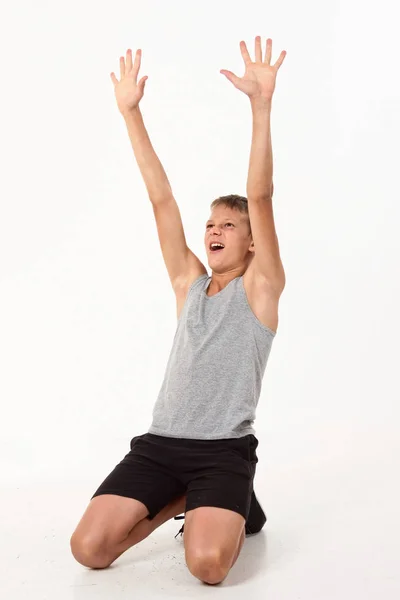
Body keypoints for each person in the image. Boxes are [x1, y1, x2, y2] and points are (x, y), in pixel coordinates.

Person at [70, 36, 286, 585]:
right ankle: (184, 499)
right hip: (160, 446)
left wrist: (260, 107)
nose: (214, 230)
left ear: (253, 242)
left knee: (208, 566)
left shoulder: (261, 288)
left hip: (223, 452)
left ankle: (231, 498)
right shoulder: (189, 284)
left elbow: (260, 197)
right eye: (211, 223)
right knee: (88, 549)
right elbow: (161, 200)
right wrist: (130, 113)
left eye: (228, 225)